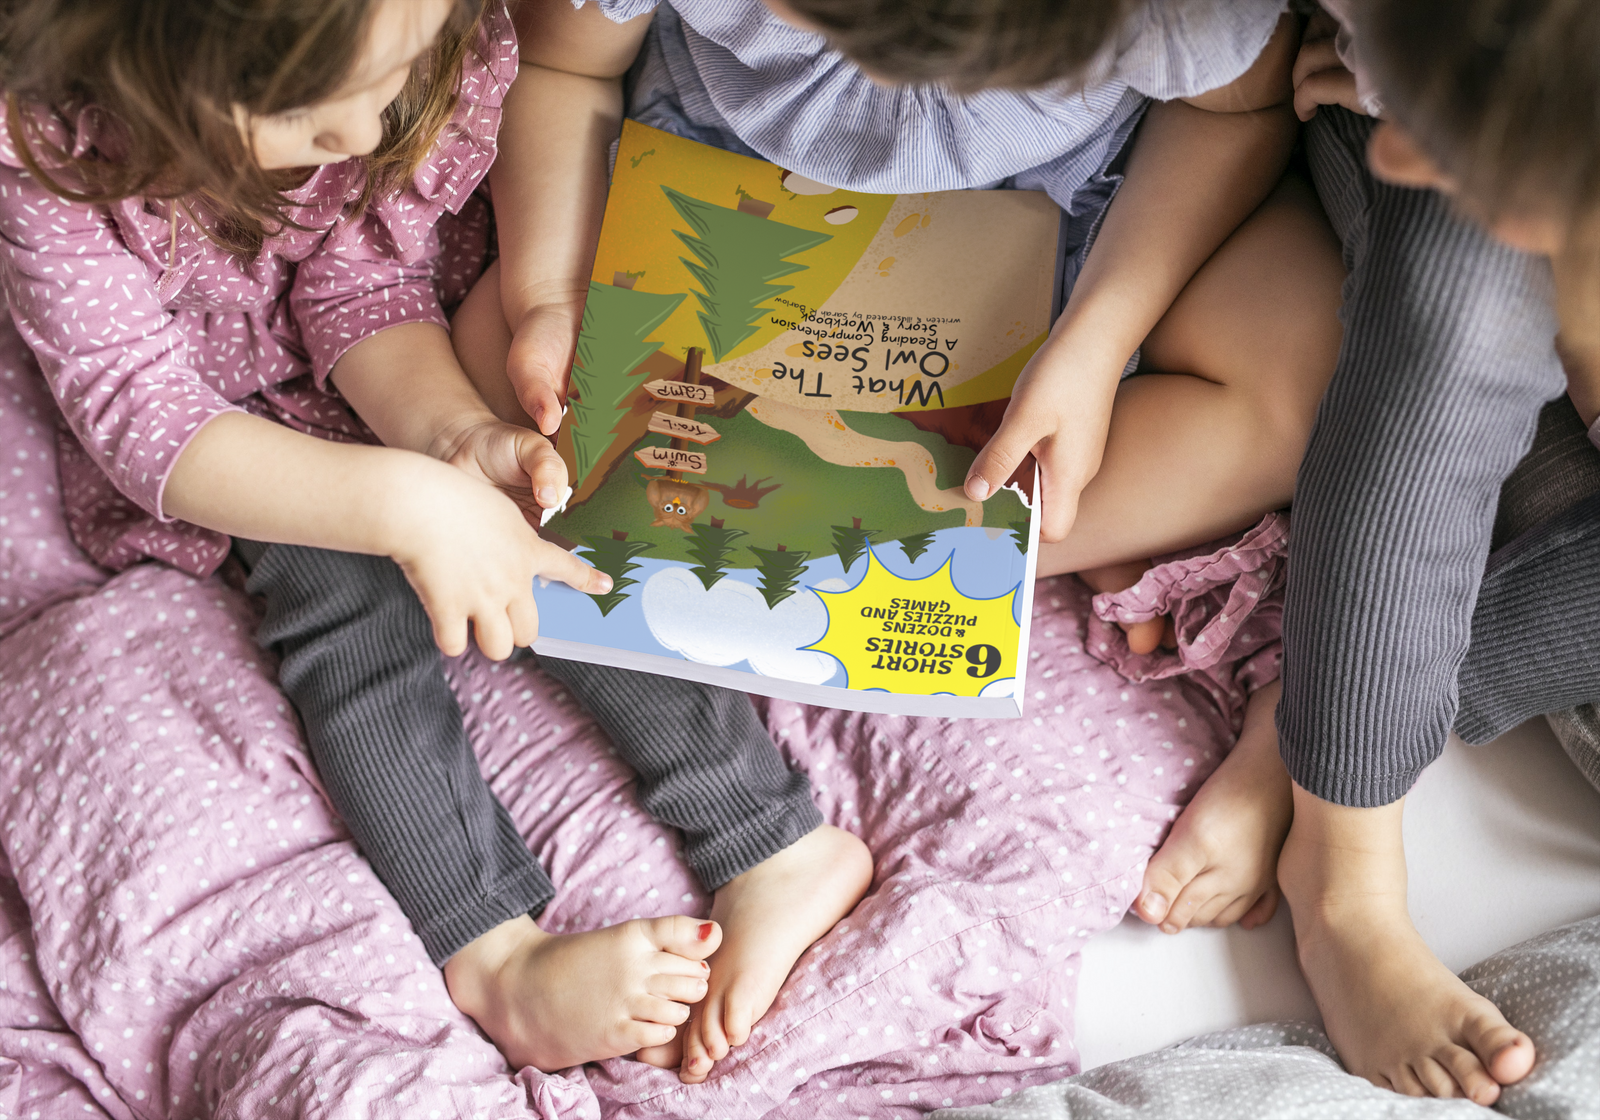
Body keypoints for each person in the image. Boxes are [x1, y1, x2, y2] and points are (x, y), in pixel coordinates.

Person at [467, 0, 1346, 1083]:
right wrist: (549, 300)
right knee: (481, 383)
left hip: (1077, 225)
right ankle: (879, 534)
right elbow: (559, 75)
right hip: (733, 227)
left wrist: (1095, 341)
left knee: (1307, 351)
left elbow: (1235, 110)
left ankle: (921, 528)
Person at [0, 0, 873, 1076]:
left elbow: (360, 281)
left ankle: (771, 834)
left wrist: (451, 439)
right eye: (319, 128)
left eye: (392, 87)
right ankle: (493, 954)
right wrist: (403, 506)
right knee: (343, 620)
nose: (365, 138)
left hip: (392, 355)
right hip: (232, 437)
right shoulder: (45, 154)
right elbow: (150, 421)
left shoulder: (404, 46)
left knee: (552, 521)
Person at [1278, 0, 1600, 1103]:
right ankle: (1340, 871)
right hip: (1451, 108)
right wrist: (1400, 77)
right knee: (1461, 315)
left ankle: (1327, 694)